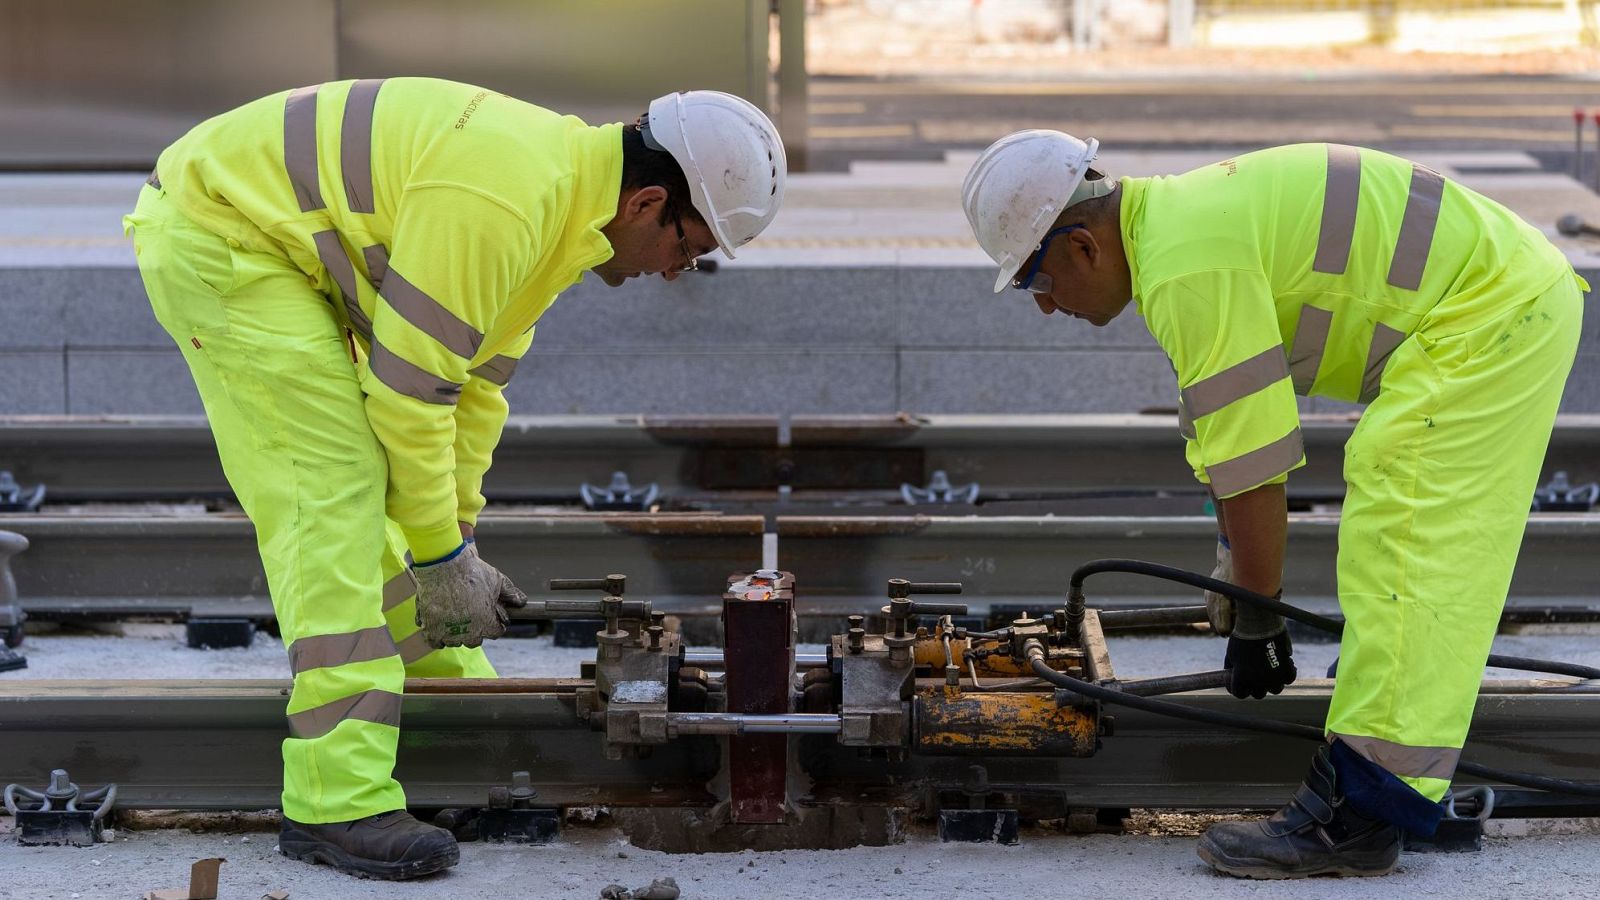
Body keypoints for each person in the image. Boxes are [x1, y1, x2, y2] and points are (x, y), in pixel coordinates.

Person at [123, 78, 786, 880]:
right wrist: (439, 557)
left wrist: (457, 543)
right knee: (330, 496)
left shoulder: (563, 212)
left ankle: (457, 740)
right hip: (224, 233)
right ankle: (336, 800)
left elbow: (472, 392)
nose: (677, 271)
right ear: (647, 203)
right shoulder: (508, 200)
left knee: (380, 497)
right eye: (689, 248)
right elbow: (410, 397)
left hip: (276, 240)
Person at [962, 132, 1584, 878]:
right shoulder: (1176, 230)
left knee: (1410, 533)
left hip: (1491, 315)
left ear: (1083, 246)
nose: (1044, 305)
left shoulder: (1187, 268)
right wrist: (1236, 566)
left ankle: (1361, 816)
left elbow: (1255, 467)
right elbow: (1223, 432)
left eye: (1034, 279)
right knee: (1409, 532)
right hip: (1502, 298)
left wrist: (1258, 620)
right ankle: (1386, 755)